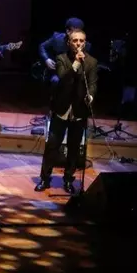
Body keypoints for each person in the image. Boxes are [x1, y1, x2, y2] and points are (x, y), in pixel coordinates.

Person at [35, 29, 98, 194]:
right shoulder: (61, 59)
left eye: (81, 41)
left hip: (79, 110)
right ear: (69, 43)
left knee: (74, 148)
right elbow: (63, 79)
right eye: (75, 40)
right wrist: (76, 63)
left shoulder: (92, 62)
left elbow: (92, 83)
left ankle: (69, 180)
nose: (78, 44)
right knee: (52, 146)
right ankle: (45, 179)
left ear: (85, 43)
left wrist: (91, 96)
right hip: (61, 108)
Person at [38, 17, 92, 87]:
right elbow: (42, 46)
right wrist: (46, 59)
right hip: (55, 70)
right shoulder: (57, 38)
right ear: (67, 31)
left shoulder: (85, 45)